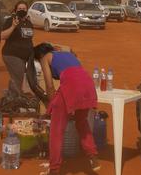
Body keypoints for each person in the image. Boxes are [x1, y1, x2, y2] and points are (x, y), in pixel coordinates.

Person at [28, 43, 100, 175]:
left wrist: (52, 107)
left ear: (39, 56)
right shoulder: (68, 54)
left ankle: (54, 169)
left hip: (72, 84)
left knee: (56, 130)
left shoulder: (45, 58)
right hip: (88, 84)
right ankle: (92, 155)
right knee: (82, 122)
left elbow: (49, 86)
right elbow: (76, 73)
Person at [0, 0, 36, 97]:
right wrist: (13, 26)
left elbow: (29, 39)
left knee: (20, 77)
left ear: (27, 10)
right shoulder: (10, 20)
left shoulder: (28, 23)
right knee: (18, 76)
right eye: (20, 9)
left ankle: (11, 96)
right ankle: (12, 99)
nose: (22, 10)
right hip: (12, 54)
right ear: (15, 10)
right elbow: (2, 36)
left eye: (24, 8)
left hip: (25, 57)